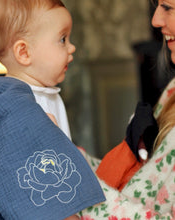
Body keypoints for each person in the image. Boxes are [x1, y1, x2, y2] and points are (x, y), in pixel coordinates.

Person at [0, 0, 106, 219]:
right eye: (62, 39)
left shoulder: (43, 95)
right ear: (24, 52)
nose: (72, 47)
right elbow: (22, 179)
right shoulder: (17, 106)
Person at [78, 0, 175, 219]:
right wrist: (66, 155)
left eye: (167, 7)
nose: (155, 20)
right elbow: (135, 181)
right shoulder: (172, 90)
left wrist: (73, 185)